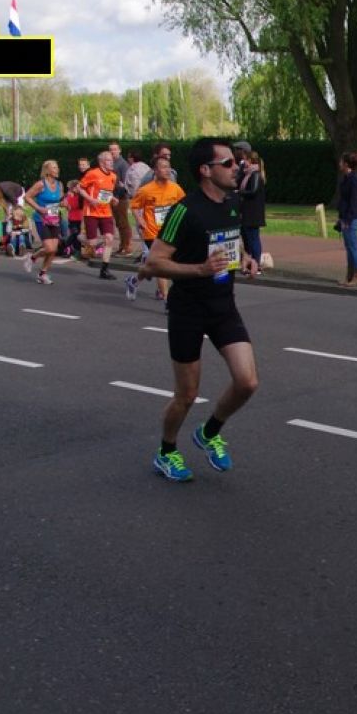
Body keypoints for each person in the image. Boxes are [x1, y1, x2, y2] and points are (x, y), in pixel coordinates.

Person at [144, 138, 258, 482]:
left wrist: (246, 258)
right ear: (206, 171)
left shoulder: (233, 202)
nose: (237, 167)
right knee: (187, 395)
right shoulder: (185, 210)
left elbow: (231, 242)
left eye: (236, 161)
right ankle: (166, 451)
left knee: (247, 382)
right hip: (188, 310)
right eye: (228, 163)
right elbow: (153, 263)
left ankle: (209, 432)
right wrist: (200, 270)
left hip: (223, 306)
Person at [125, 154, 185, 303]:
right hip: (152, 233)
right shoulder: (146, 190)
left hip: (170, 231)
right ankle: (167, 300)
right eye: (163, 167)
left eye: (168, 167)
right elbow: (134, 206)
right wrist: (140, 219)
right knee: (161, 264)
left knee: (155, 266)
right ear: (155, 171)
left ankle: (134, 281)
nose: (167, 170)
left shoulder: (175, 188)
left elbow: (183, 207)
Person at [78, 151, 119, 280]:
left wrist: (113, 199)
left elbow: (107, 193)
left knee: (109, 238)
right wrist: (90, 199)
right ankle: (78, 237)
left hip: (106, 212)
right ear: (101, 162)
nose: (112, 162)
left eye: (112, 160)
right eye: (109, 160)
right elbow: (80, 188)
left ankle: (104, 269)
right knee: (92, 243)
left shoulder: (113, 176)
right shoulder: (93, 173)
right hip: (92, 212)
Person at [25, 160, 65, 285]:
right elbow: (27, 197)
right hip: (41, 219)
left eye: (57, 167)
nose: (57, 169)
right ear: (47, 171)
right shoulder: (41, 184)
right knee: (48, 248)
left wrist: (63, 203)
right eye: (54, 167)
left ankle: (42, 274)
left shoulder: (59, 185)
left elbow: (60, 200)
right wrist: (38, 208)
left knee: (53, 250)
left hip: (54, 218)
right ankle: (32, 257)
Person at [335, 151, 357, 287]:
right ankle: (350, 276)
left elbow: (354, 202)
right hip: (346, 217)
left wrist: (347, 220)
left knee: (353, 247)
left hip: (352, 219)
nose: (339, 164)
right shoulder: (346, 178)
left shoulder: (354, 180)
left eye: (341, 162)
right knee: (349, 248)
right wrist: (341, 218)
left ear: (346, 164)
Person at [237, 149, 267, 277]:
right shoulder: (246, 173)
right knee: (247, 238)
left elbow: (253, 191)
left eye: (245, 160)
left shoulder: (255, 174)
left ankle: (257, 263)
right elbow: (238, 181)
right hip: (246, 212)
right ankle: (248, 263)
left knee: (253, 238)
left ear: (250, 160)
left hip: (253, 213)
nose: (243, 162)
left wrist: (239, 193)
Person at [108, 142, 135, 257]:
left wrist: (118, 197)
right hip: (113, 197)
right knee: (119, 223)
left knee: (123, 223)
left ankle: (127, 247)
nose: (112, 151)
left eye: (114, 149)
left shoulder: (123, 164)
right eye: (110, 149)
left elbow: (125, 183)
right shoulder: (111, 163)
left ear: (119, 150)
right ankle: (122, 246)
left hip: (121, 198)